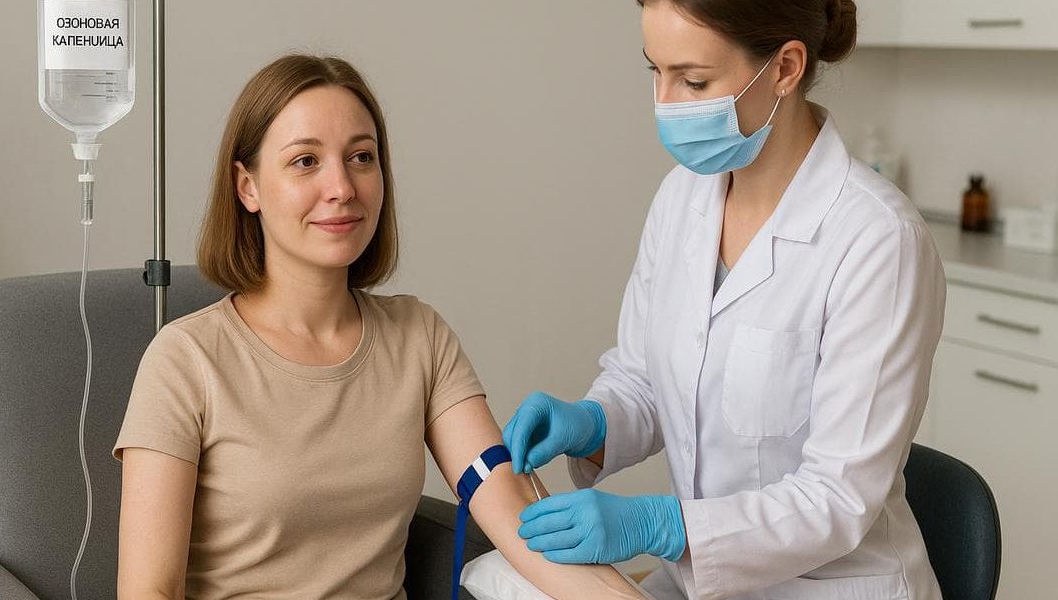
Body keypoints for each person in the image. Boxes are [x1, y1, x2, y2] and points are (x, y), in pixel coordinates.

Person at [113, 53, 646, 600]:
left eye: (361, 157)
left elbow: (517, 521)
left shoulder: (418, 338)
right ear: (247, 187)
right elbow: (148, 591)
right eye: (305, 161)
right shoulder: (185, 360)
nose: (342, 187)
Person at [502, 1, 945, 599]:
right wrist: (592, 423)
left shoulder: (878, 240)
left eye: (693, 81)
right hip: (700, 584)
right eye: (655, 71)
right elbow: (647, 379)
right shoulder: (681, 198)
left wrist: (661, 525)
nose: (664, 103)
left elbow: (838, 498)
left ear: (785, 68)